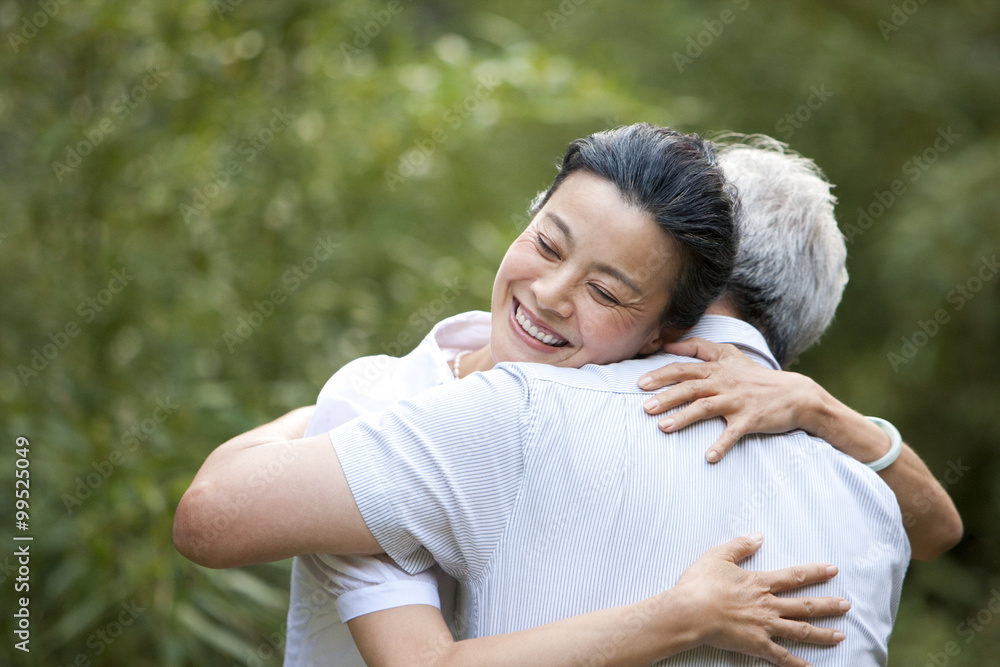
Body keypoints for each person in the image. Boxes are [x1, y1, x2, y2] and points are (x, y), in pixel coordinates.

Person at [174, 127, 960, 666]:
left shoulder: (521, 413)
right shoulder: (871, 498)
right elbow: (939, 529)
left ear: (674, 315)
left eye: (611, 287)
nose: (551, 294)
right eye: (548, 242)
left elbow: (211, 517)